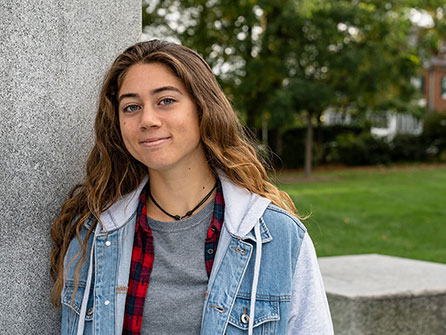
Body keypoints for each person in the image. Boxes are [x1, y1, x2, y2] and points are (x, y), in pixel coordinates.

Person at [50, 40, 333, 335]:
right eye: (131, 107)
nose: (147, 119)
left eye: (166, 101)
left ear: (202, 109)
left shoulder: (279, 238)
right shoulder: (91, 234)